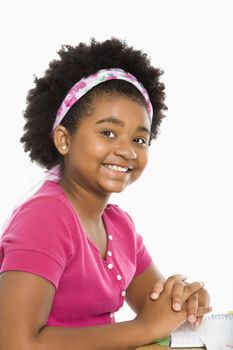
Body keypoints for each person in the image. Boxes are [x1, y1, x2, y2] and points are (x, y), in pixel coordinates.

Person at [0, 37, 211, 350]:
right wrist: (142, 329)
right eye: (108, 133)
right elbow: (14, 342)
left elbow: (160, 309)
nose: (127, 151)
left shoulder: (119, 226)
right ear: (63, 139)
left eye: (140, 140)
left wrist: (187, 300)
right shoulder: (46, 217)